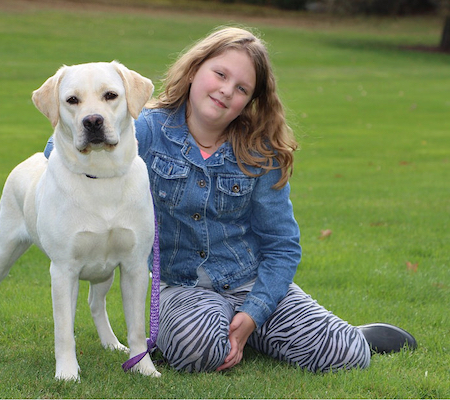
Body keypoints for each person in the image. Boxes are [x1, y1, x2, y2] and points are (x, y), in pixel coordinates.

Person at [44, 26, 416, 373]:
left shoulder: (260, 151)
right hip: (183, 286)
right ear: (194, 70)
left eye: (241, 88)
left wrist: (255, 311)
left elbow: (282, 246)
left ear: (250, 101)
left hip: (249, 281)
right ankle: (220, 331)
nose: (226, 90)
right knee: (195, 350)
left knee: (345, 355)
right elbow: (55, 152)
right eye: (219, 75)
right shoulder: (147, 130)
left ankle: (311, 331)